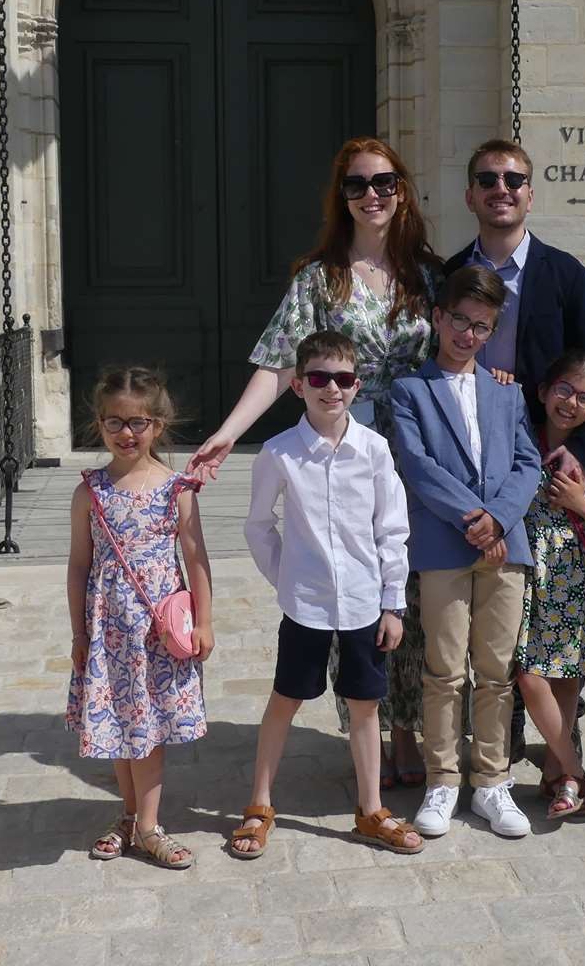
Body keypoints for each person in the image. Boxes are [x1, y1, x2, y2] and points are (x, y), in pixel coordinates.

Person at [191, 136, 442, 786]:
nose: (371, 195)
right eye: (356, 185)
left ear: (401, 188)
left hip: (417, 455)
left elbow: (463, 350)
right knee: (350, 593)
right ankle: (373, 730)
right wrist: (227, 433)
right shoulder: (320, 279)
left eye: (382, 182)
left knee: (408, 594)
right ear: (342, 197)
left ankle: (409, 729)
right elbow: (279, 361)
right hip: (346, 455)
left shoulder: (427, 274)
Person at [443, 137, 585, 760]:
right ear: (470, 196)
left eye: (514, 179)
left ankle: (563, 733)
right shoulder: (450, 274)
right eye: (487, 179)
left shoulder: (568, 275)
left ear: (530, 194)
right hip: (470, 457)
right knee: (489, 588)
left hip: (544, 457)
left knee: (550, 593)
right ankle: (500, 726)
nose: (501, 188)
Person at [230, 331, 424, 859]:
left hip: (364, 603)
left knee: (365, 706)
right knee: (284, 700)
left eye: (342, 379)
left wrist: (393, 602)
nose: (331, 389)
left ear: (356, 385)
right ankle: (259, 804)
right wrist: (286, 578)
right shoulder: (279, 453)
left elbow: (392, 529)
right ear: (298, 385)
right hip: (306, 607)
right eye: (318, 378)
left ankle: (370, 808)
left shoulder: (375, 450)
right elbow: (257, 526)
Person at [391, 265, 541, 839]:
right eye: (459, 320)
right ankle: (443, 779)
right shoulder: (411, 391)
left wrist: (499, 517)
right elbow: (417, 465)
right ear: (438, 318)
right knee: (444, 669)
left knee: (498, 672)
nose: (468, 334)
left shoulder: (506, 393)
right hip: (443, 544)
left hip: (507, 545)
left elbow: (527, 463)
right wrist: (473, 518)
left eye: (481, 326)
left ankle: (492, 781)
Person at [66, 368, 215, 869]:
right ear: (99, 424)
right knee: (118, 726)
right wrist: (79, 633)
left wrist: (205, 621)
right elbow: (79, 566)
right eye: (115, 423)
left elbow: (196, 559)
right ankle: (130, 816)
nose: (126, 433)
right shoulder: (90, 491)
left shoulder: (177, 489)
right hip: (109, 632)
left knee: (147, 727)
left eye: (138, 422)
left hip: (156, 631)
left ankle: (149, 826)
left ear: (158, 424)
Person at [515, 351, 585, 819]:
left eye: (584, 397)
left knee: (566, 684)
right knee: (528, 674)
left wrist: (581, 502)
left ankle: (558, 781)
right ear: (542, 391)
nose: (571, 402)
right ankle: (576, 772)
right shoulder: (520, 440)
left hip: (574, 576)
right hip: (528, 574)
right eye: (564, 389)